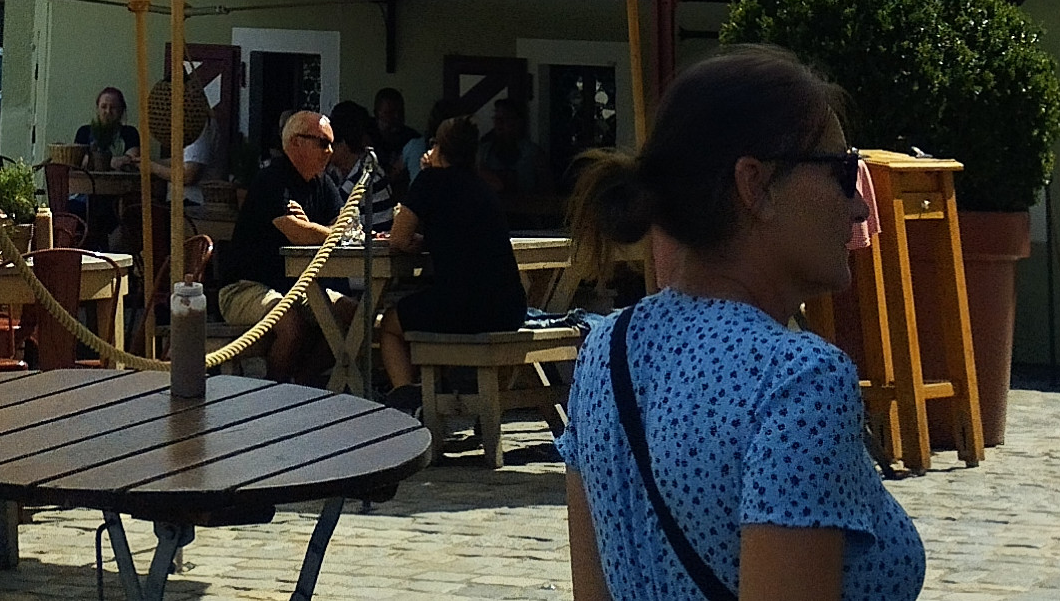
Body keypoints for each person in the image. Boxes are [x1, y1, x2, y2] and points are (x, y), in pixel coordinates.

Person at [563, 48, 921, 601]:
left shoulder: (605, 350)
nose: (859, 208)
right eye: (843, 171)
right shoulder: (799, 380)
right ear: (755, 185)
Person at [379, 111, 528, 399]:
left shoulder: (430, 181)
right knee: (430, 314)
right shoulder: (482, 188)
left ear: (440, 149)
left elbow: (397, 237)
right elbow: (458, 233)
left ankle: (406, 398)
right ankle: (438, 395)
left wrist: (426, 175)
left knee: (390, 324)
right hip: (509, 307)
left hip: (463, 305)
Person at [214, 109, 346, 387]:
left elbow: (344, 227)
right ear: (296, 142)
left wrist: (318, 229)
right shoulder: (272, 179)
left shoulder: (323, 183)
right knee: (291, 324)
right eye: (323, 142)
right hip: (244, 288)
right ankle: (273, 394)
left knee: (352, 313)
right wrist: (324, 231)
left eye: (332, 143)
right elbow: (299, 233)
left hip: (297, 289)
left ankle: (302, 385)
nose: (330, 151)